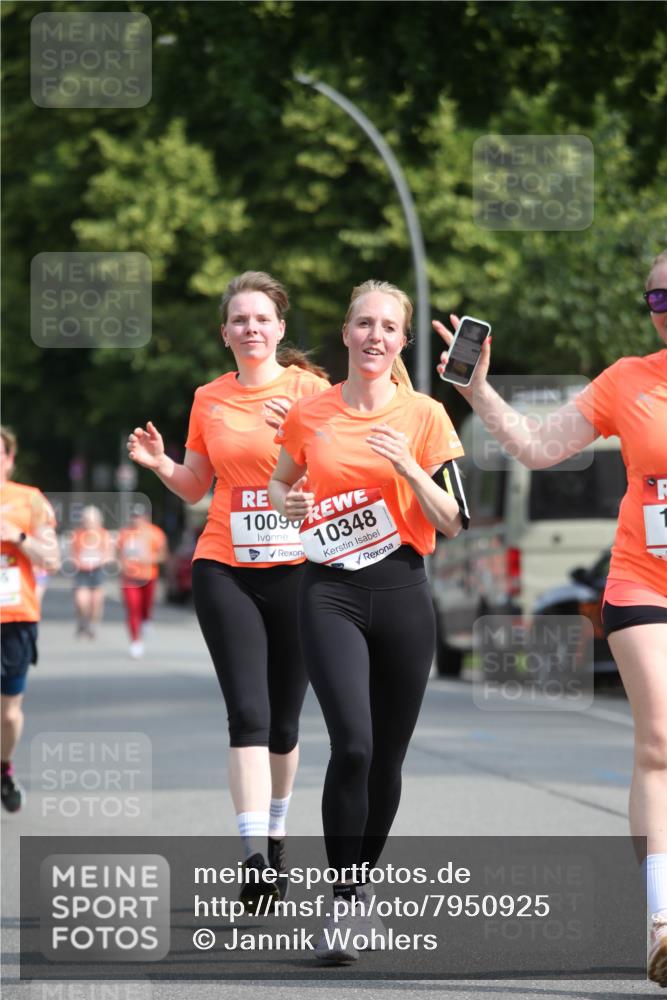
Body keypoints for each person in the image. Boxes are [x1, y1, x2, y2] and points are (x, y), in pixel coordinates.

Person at [434, 249, 667, 988]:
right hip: (641, 580)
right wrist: (475, 390)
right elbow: (537, 447)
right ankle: (663, 924)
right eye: (657, 300)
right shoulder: (626, 380)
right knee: (659, 739)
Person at [269, 279, 469, 962]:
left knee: (386, 758)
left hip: (404, 593)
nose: (374, 336)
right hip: (329, 591)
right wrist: (288, 507)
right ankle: (342, 906)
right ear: (346, 333)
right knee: (351, 744)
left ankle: (357, 890)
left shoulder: (425, 416)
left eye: (388, 326)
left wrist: (409, 466)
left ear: (402, 340)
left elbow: (454, 519)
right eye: (363, 324)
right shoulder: (311, 413)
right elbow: (279, 482)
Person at [127, 271, 329, 909]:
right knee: (248, 715)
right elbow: (196, 485)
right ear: (225, 333)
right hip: (226, 565)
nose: (251, 328)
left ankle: (275, 831)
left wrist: (303, 438)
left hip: (299, 567)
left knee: (285, 724)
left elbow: (347, 469)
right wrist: (163, 464)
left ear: (280, 329)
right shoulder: (208, 397)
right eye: (239, 320)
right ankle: (252, 858)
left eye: (262, 319)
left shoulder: (313, 390)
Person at [1, 427, 60, 812]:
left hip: (14, 617)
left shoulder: (29, 500)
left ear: (8, 459)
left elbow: (52, 559)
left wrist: (17, 536)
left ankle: (3, 767)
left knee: (7, 713)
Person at [117, 505, 167, 659]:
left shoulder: (155, 533)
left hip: (149, 576)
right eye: (134, 516)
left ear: (146, 517)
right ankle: (135, 641)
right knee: (133, 608)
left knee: (146, 606)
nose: (136, 519)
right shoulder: (124, 533)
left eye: (139, 516)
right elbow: (117, 553)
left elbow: (163, 555)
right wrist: (120, 564)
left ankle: (146, 620)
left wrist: (149, 559)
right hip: (130, 577)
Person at [71, 505, 113, 638]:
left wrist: (102, 560)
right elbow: (72, 553)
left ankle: (93, 624)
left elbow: (109, 554)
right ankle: (82, 620)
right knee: (81, 600)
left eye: (92, 521)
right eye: (87, 520)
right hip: (82, 571)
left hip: (97, 570)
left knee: (96, 600)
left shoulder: (104, 534)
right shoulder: (77, 534)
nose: (89, 523)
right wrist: (76, 561)